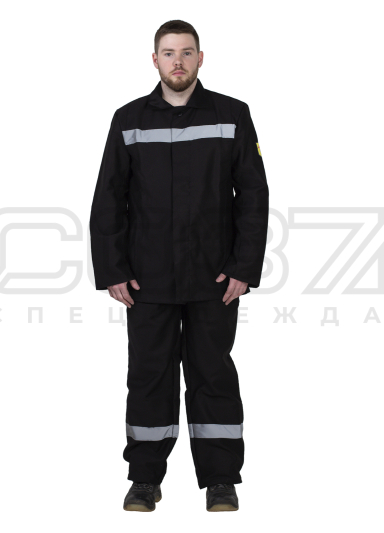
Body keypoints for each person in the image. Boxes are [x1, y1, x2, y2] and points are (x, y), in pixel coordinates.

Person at [89, 19, 269, 512]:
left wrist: (244, 267)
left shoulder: (232, 114)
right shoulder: (128, 119)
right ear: (155, 60)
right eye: (168, 53)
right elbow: (108, 199)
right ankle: (145, 478)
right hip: (146, 279)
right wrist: (113, 270)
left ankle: (221, 480)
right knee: (149, 376)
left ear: (200, 58)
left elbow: (253, 196)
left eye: (187, 52)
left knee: (213, 374)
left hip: (215, 277)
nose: (178, 62)